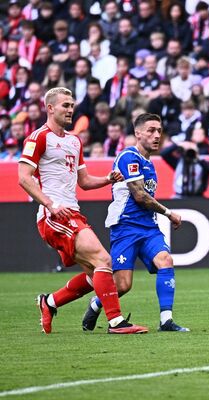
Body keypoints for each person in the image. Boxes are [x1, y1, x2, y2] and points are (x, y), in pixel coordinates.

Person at [18, 87, 147, 334]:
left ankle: (50, 302)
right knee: (104, 260)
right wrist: (50, 205)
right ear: (50, 108)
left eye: (72, 105)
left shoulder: (74, 141)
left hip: (72, 213)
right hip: (53, 215)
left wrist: (108, 178)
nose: (70, 109)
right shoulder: (38, 137)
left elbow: (84, 182)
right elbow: (24, 178)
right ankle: (116, 322)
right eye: (65, 105)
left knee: (94, 275)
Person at [82, 113, 188, 333]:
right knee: (122, 285)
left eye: (159, 130)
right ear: (137, 133)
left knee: (165, 260)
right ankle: (96, 303)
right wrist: (169, 213)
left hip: (148, 228)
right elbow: (140, 195)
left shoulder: (150, 163)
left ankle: (166, 321)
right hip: (126, 227)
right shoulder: (128, 156)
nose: (156, 135)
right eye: (150, 130)